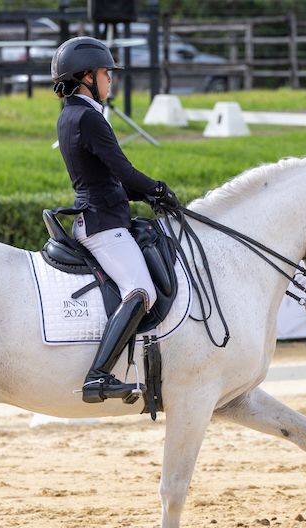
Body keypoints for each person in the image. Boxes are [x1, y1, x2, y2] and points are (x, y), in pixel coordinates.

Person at [51, 36, 180, 404]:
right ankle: (98, 376)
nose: (111, 80)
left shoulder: (72, 113)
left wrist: (146, 195)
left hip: (101, 214)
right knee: (141, 292)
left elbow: (105, 177)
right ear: (87, 76)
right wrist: (157, 188)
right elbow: (122, 170)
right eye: (106, 73)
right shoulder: (88, 117)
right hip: (102, 225)